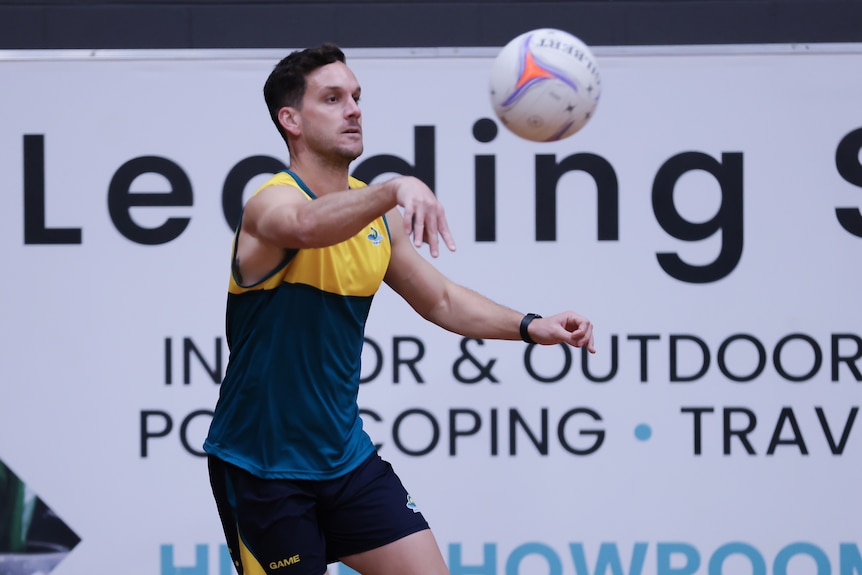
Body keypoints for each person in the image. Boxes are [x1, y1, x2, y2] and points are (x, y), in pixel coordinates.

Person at [203, 43, 596, 575]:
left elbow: (441, 299)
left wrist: (530, 326)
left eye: (357, 97)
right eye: (334, 98)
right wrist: (392, 190)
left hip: (344, 459)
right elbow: (305, 227)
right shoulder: (269, 205)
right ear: (289, 119)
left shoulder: (375, 219)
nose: (354, 109)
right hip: (263, 469)